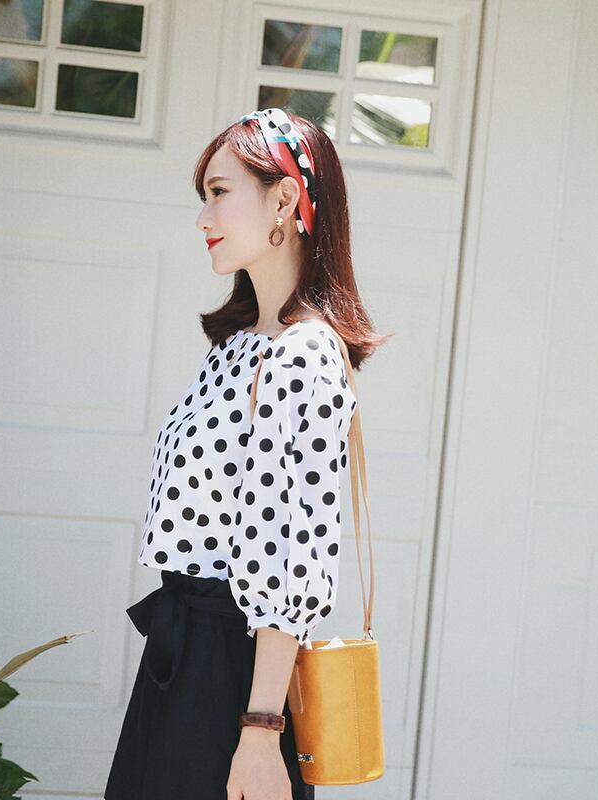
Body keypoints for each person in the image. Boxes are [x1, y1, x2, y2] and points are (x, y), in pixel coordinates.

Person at [104, 107, 388, 800]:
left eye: (219, 192)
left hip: (234, 677)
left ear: (284, 200)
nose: (203, 217)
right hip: (183, 657)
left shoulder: (305, 354)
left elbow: (293, 554)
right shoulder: (236, 349)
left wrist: (260, 731)